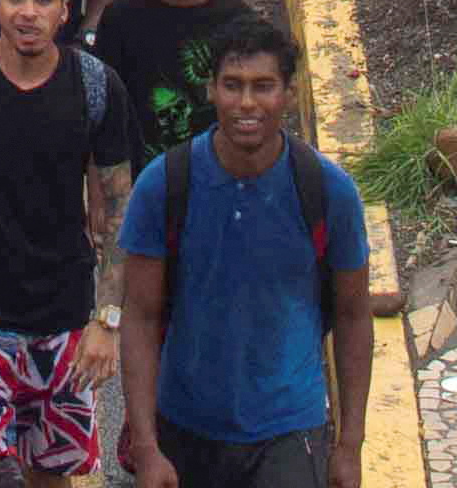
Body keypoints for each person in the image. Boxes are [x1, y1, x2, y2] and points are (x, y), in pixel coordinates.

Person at [112, 27, 368, 488]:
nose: (246, 103)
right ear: (211, 89)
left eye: (263, 86)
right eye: (232, 85)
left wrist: (350, 446)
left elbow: (352, 315)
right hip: (185, 428)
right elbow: (141, 316)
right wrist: (147, 449)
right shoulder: (164, 184)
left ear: (290, 93)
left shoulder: (329, 191)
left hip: (290, 431)